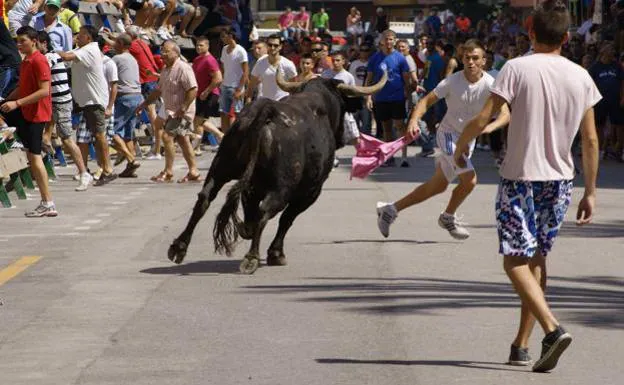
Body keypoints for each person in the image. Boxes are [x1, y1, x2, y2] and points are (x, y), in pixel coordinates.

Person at [453, 1, 601, 372]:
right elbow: (592, 139)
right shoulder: (581, 75)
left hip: (521, 177)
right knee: (535, 260)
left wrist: (460, 146)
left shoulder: (516, 68)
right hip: (561, 180)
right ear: (567, 37)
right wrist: (591, 192)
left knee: (513, 259)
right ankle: (521, 344)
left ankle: (551, 330)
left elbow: (485, 115)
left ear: (530, 32)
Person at [376, 39, 508, 240]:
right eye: (467, 58)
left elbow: (506, 114)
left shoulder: (491, 85)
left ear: (484, 61)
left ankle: (390, 210)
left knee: (437, 186)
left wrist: (489, 127)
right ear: (462, 59)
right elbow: (426, 101)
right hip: (448, 135)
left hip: (468, 140)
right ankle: (447, 217)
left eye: (475, 58)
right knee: (470, 180)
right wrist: (413, 120)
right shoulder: (452, 81)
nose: (470, 62)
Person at [0, 26, 55, 216]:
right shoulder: (26, 62)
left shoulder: (39, 60)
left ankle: (47, 203)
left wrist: (17, 103)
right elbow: (23, 87)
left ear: (33, 40)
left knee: (35, 157)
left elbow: (43, 91)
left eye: (23, 40)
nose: (19, 44)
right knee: (33, 156)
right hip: (26, 111)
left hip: (36, 114)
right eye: (17, 41)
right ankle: (12, 139)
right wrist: (7, 100)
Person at [57, 25, 117, 186]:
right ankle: (104, 168)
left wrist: (50, 52)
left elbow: (66, 56)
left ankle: (108, 169)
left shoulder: (89, 49)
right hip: (86, 101)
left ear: (89, 38)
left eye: (81, 36)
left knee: (100, 135)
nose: (78, 38)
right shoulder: (85, 49)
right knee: (97, 137)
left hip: (94, 101)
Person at [138, 40, 200, 184]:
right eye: (162, 51)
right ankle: (193, 171)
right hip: (171, 111)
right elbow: (158, 90)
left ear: (176, 52)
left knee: (167, 137)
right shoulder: (166, 69)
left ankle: (169, 171)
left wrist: (183, 107)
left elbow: (193, 89)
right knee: (183, 141)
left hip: (181, 112)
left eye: (166, 51)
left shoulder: (183, 68)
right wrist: (144, 104)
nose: (162, 54)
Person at [37, 30, 92, 191]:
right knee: (45, 136)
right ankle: (46, 159)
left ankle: (83, 172)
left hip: (60, 102)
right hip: (54, 102)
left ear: (44, 44)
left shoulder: (49, 58)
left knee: (67, 138)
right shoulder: (52, 56)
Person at [365, 29, 411, 167]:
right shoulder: (374, 58)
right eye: (386, 39)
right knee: (386, 129)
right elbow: (369, 80)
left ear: (395, 40)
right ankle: (389, 157)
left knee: (400, 126)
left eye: (391, 39)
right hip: (380, 98)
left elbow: (406, 80)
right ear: (381, 41)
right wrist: (368, 97)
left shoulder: (400, 58)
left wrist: (409, 98)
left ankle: (404, 156)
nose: (388, 41)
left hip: (397, 98)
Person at [111, 33, 143, 178]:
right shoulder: (132, 58)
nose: (113, 44)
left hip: (125, 97)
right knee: (128, 135)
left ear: (122, 45)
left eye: (116, 42)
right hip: (137, 97)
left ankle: (130, 158)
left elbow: (110, 78)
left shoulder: (117, 59)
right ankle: (130, 166)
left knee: (111, 132)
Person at [588, 42, 624, 160]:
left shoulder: (617, 66)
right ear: (602, 51)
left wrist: (623, 97)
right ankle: (600, 151)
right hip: (600, 101)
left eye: (613, 50)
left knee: (619, 124)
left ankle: (620, 149)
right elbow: (590, 84)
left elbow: (623, 82)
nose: (612, 52)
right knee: (599, 126)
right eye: (609, 49)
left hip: (615, 100)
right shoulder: (595, 67)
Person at [192, 36, 223, 151]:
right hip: (199, 94)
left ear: (207, 46)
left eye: (201, 45)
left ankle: (196, 147)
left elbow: (218, 78)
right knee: (200, 121)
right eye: (197, 45)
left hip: (209, 94)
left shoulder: (210, 60)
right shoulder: (197, 59)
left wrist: (207, 91)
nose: (198, 47)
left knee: (198, 121)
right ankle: (220, 135)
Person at [247, 34, 297, 102]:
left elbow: (294, 89)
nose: (272, 48)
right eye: (270, 45)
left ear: (280, 47)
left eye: (276, 45)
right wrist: (248, 100)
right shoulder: (260, 62)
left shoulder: (288, 65)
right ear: (267, 46)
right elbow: (251, 84)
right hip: (264, 104)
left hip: (282, 105)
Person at [219, 27, 248, 133]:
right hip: (225, 85)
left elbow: (245, 72)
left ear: (230, 36)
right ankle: (224, 138)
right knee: (223, 113)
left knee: (234, 114)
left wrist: (239, 89)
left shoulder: (241, 51)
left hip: (236, 87)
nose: (222, 39)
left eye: (223, 36)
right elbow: (223, 67)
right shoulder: (224, 49)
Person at [349, 43, 372, 136]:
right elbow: (350, 79)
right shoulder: (354, 63)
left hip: (367, 94)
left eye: (366, 50)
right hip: (355, 95)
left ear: (369, 52)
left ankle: (366, 138)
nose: (364, 52)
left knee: (366, 120)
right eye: (362, 50)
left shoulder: (371, 62)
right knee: (354, 119)